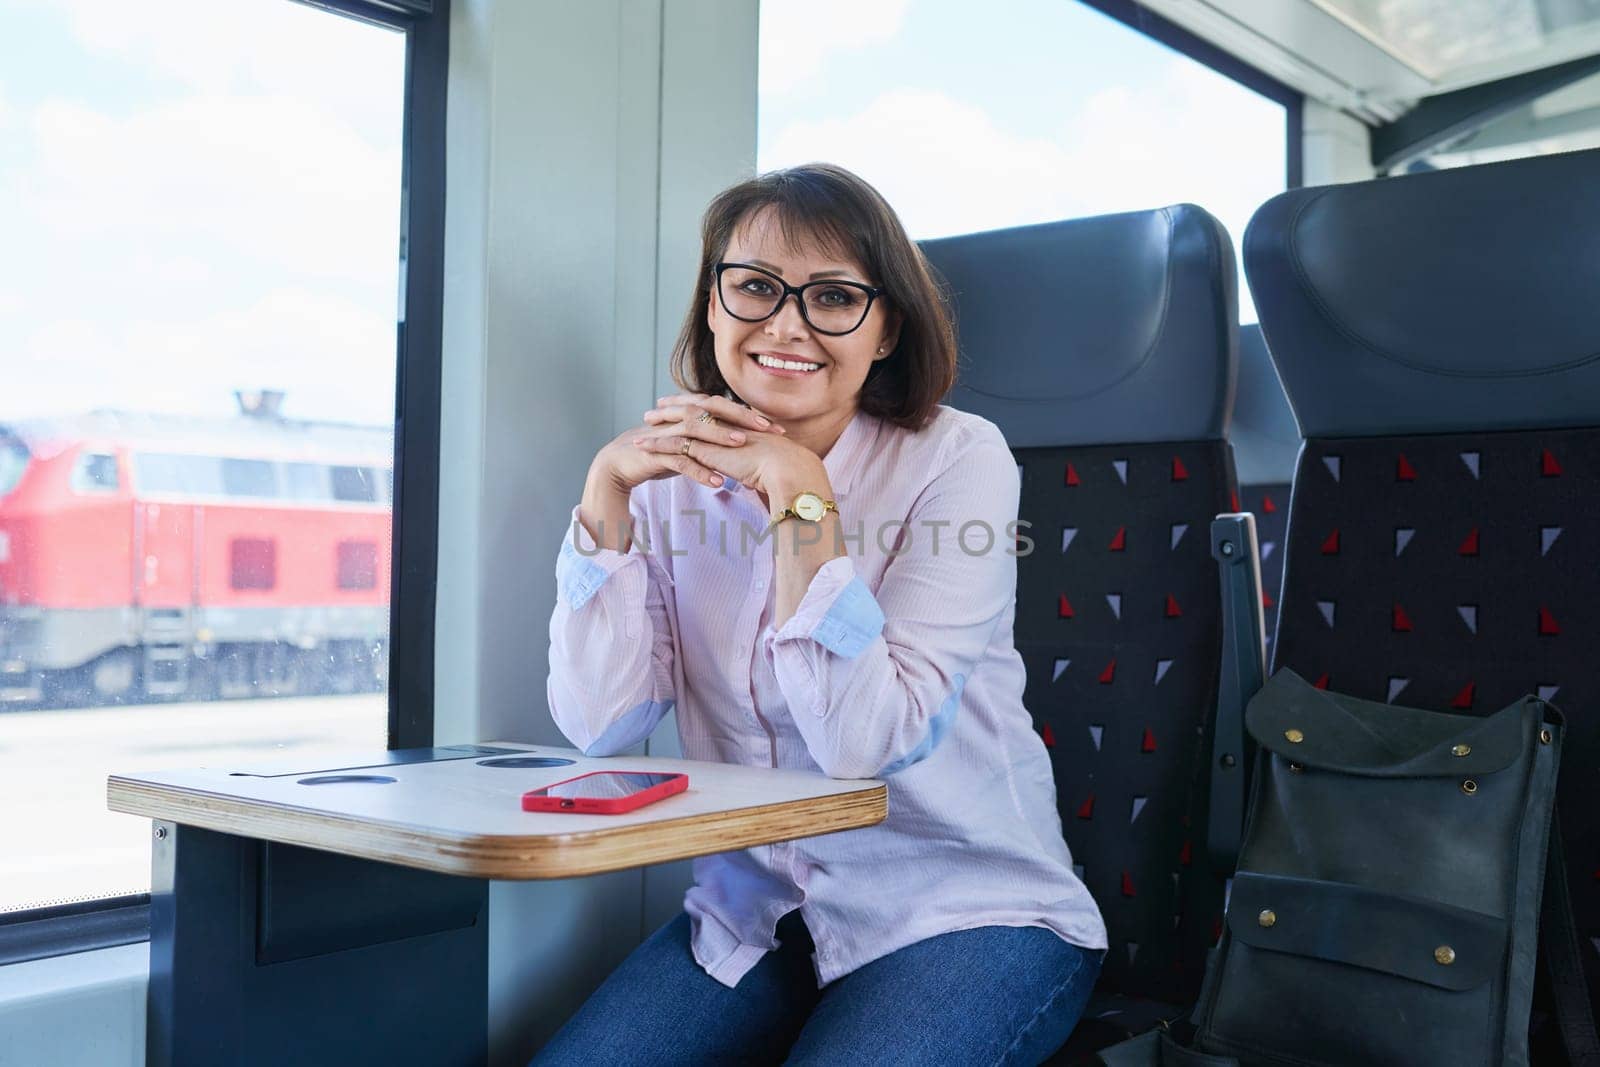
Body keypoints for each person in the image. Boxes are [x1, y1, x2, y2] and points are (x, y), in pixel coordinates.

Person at [536, 163, 1106, 1066]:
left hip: (960, 907)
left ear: (885, 332)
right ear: (713, 308)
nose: (787, 323)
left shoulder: (960, 459)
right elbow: (601, 724)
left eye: (834, 297)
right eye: (756, 287)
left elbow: (861, 745)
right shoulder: (667, 481)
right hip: (752, 912)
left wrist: (803, 496)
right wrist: (604, 497)